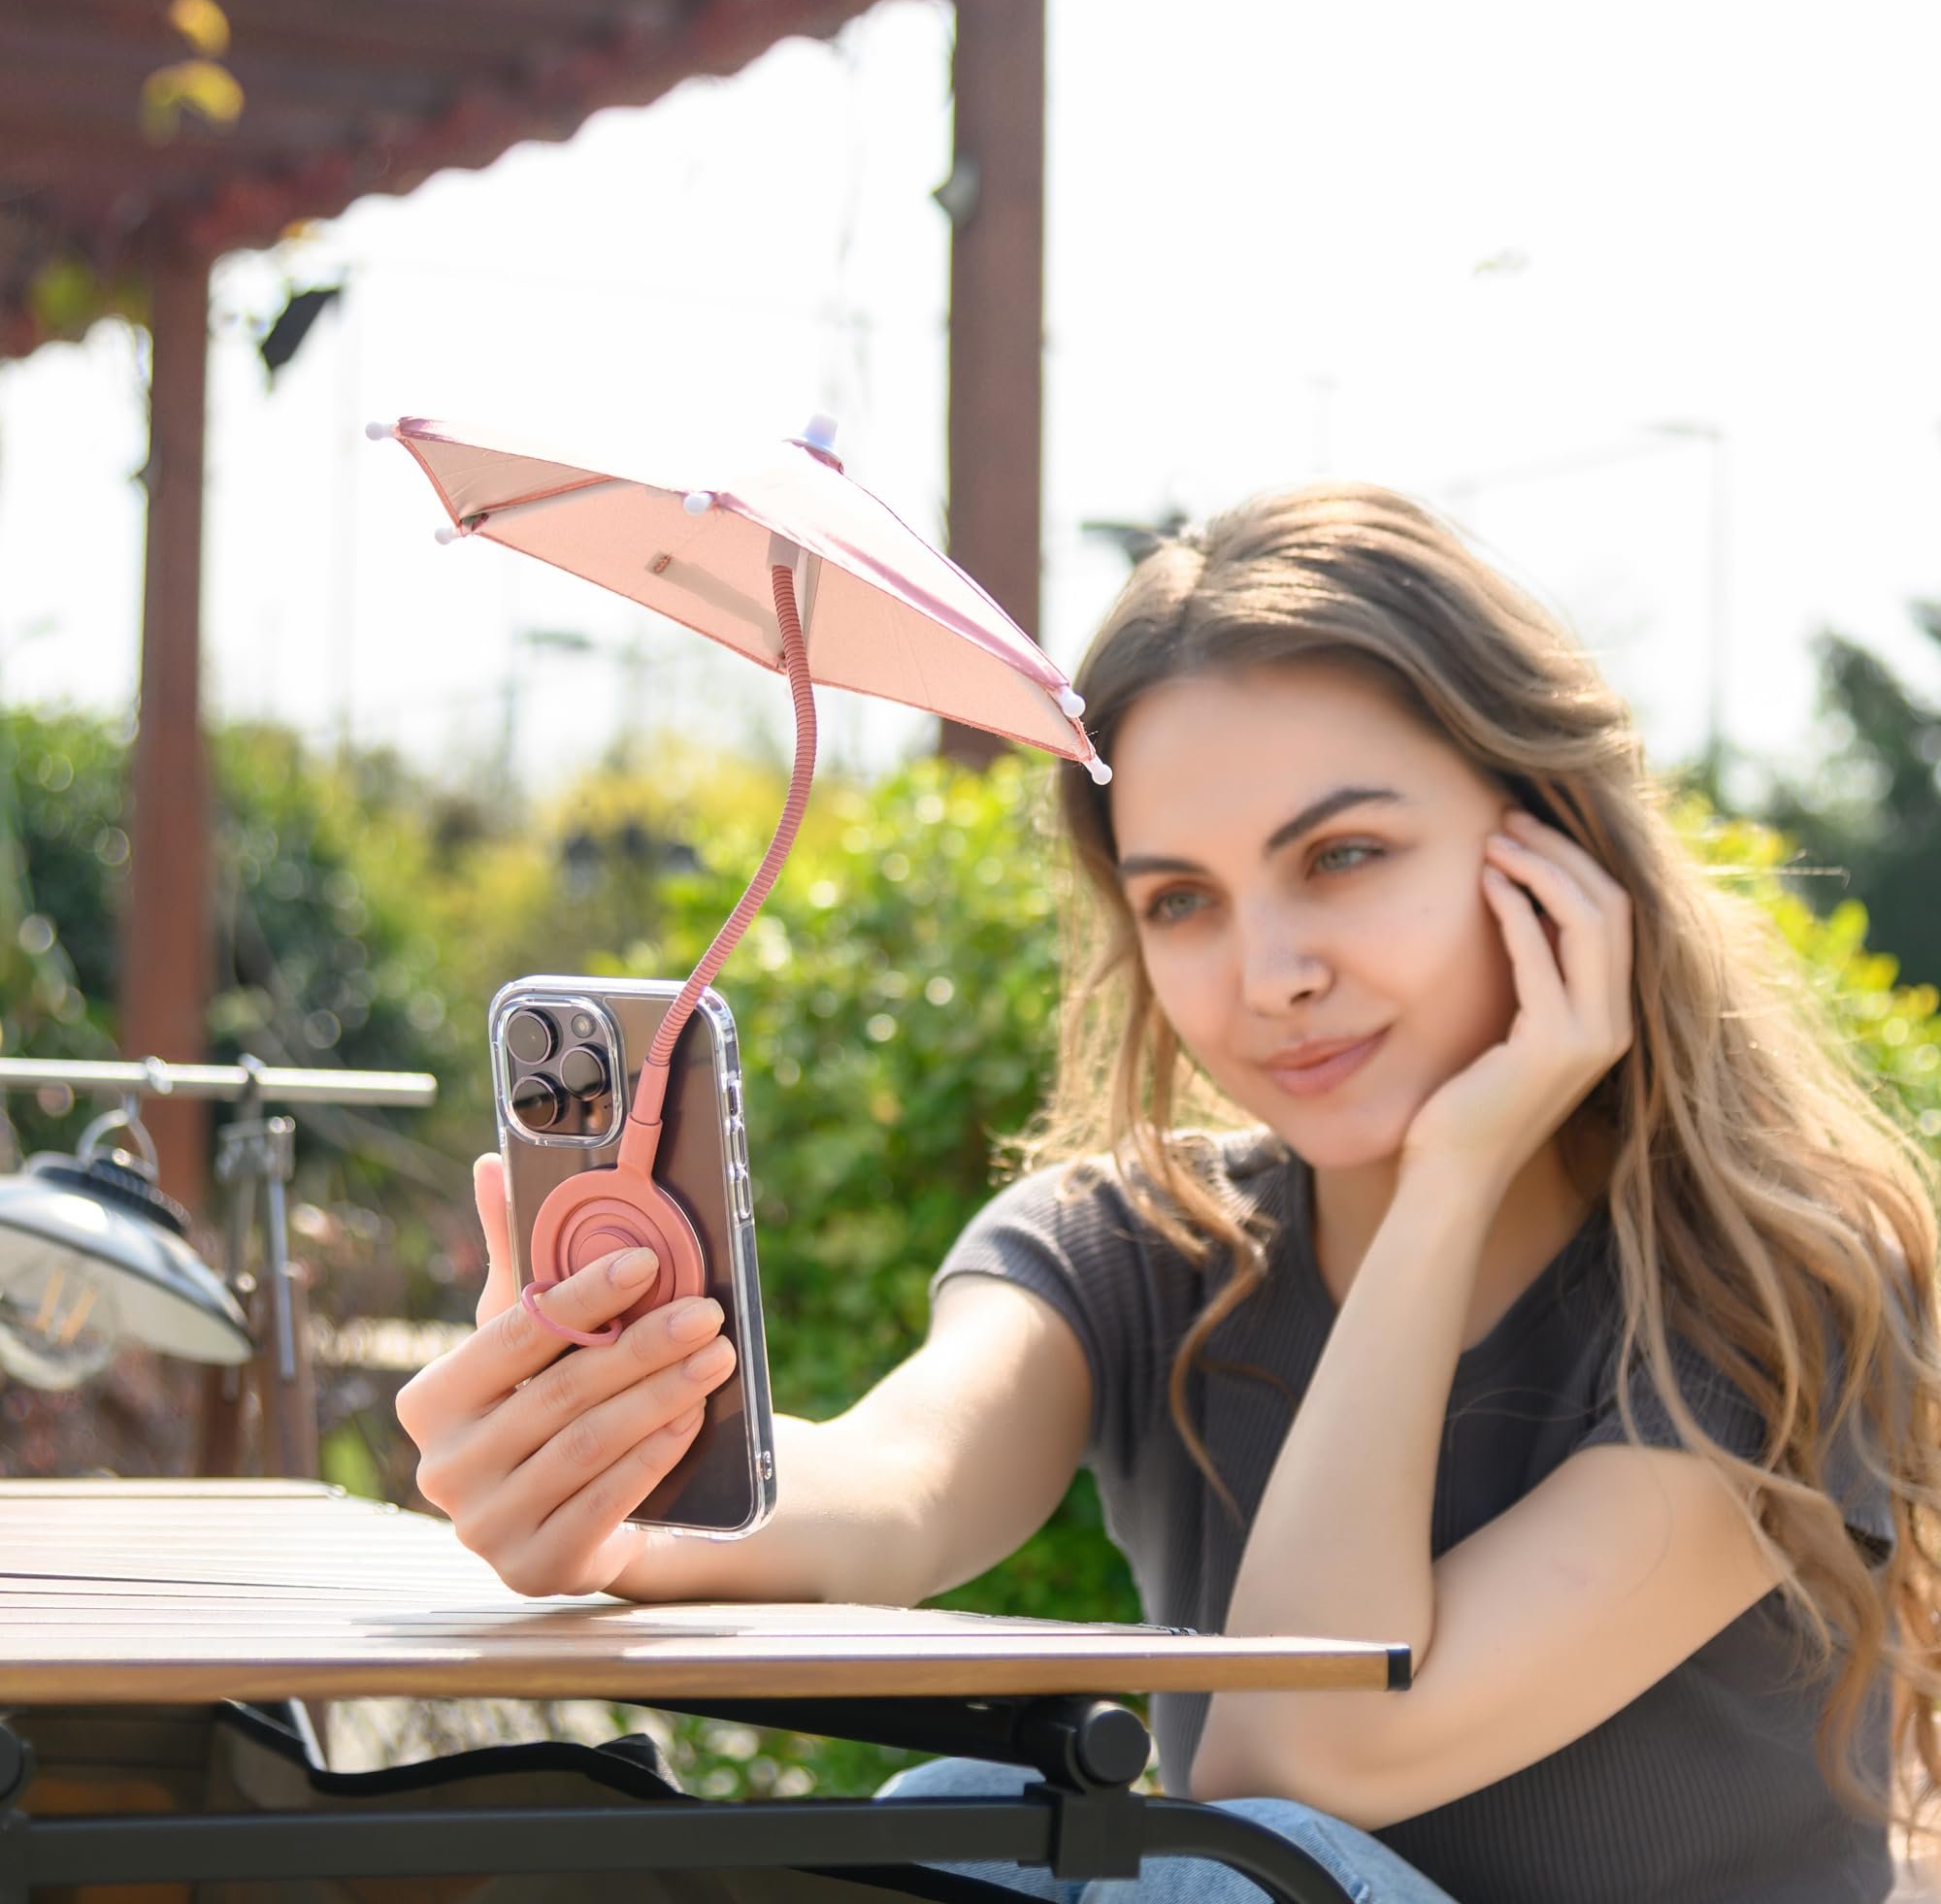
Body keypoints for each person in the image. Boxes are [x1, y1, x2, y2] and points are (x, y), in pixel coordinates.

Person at [395, 483, 1941, 1904]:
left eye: (1343, 855)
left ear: (1554, 853)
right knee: (971, 1811)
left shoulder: (1769, 1294)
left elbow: (1300, 1751)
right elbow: (896, 1490)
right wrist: (619, 1491)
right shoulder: (1137, 1250)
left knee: (1218, 1866)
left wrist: (1452, 1179)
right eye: (1183, 901)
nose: (1271, 978)